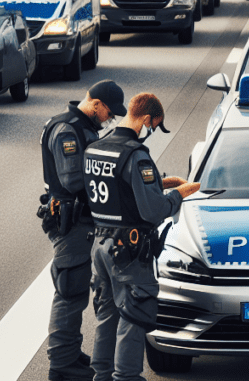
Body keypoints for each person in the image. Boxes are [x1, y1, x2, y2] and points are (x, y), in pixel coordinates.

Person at [85, 93, 200, 381]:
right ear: (146, 119)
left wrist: (160, 183)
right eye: (154, 126)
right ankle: (126, 377)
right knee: (132, 317)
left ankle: (102, 375)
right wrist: (178, 194)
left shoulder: (96, 148)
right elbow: (152, 211)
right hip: (128, 252)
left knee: (107, 316)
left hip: (100, 244)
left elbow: (118, 190)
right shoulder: (136, 155)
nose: (150, 132)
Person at [38, 80, 126, 381]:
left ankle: (71, 352)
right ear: (96, 104)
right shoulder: (68, 130)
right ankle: (62, 365)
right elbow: (76, 180)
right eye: (109, 113)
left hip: (78, 220)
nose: (110, 119)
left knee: (75, 290)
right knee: (70, 290)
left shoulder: (80, 126)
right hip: (71, 221)